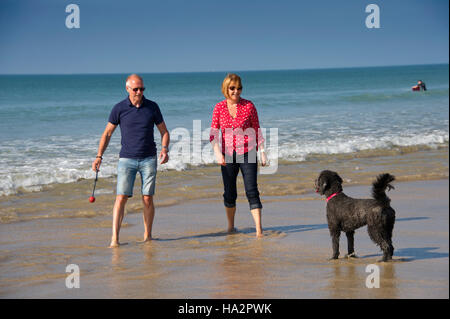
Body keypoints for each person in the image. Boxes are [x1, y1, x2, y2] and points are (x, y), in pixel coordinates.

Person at [92, 74, 170, 248]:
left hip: (149, 158)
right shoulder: (119, 108)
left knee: (148, 198)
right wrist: (99, 156)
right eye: (136, 89)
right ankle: (114, 239)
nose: (139, 92)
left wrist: (165, 150)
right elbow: (107, 134)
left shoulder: (152, 107)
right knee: (121, 198)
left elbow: (164, 132)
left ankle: (148, 236)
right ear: (127, 89)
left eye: (142, 89)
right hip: (126, 159)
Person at [210, 73, 267, 238]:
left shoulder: (249, 106)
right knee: (229, 192)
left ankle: (259, 231)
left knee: (252, 190)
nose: (236, 91)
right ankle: (230, 227)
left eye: (239, 88)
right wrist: (217, 153)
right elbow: (213, 133)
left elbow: (256, 130)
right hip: (227, 155)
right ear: (226, 89)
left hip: (248, 152)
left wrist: (262, 152)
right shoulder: (219, 107)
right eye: (232, 88)